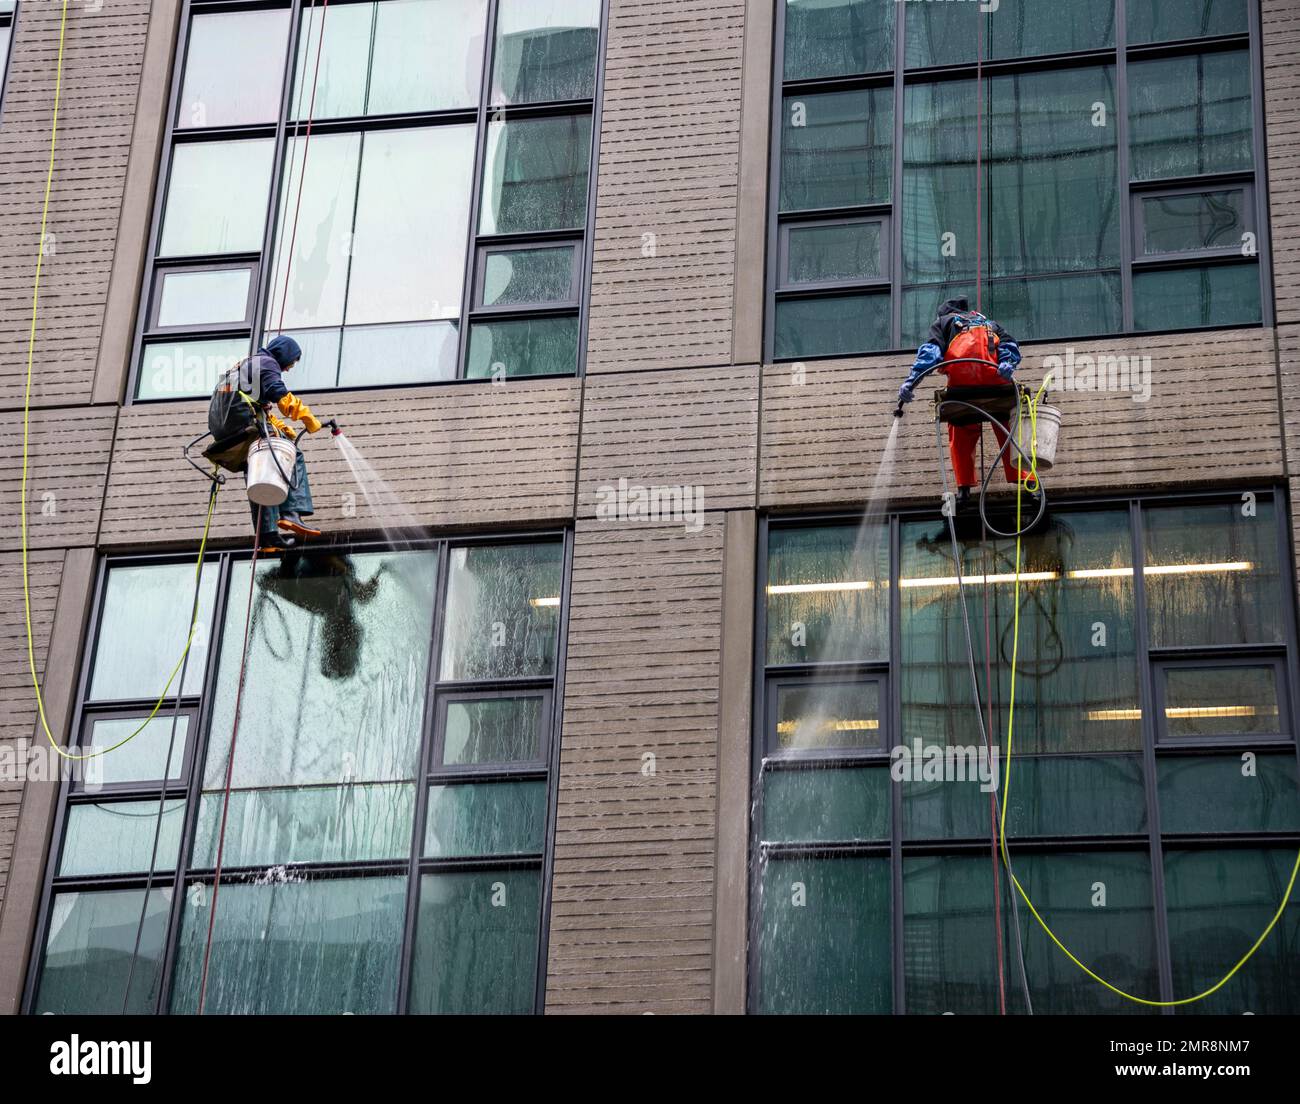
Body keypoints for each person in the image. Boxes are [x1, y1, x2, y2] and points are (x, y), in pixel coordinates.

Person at [896, 297, 1035, 505]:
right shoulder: (989, 323)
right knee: (1010, 430)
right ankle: (1028, 484)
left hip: (962, 385)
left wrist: (911, 382)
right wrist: (1007, 363)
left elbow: (931, 354)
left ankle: (963, 489)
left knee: (960, 426)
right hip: (994, 382)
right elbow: (1009, 344)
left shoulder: (943, 323)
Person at [207, 334, 328, 552]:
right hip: (242, 423)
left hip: (224, 432)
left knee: (259, 471)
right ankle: (292, 512)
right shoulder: (268, 363)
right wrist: (308, 417)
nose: (289, 368)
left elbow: (253, 404)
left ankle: (267, 536)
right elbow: (280, 395)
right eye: (291, 362)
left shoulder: (243, 367)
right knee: (293, 455)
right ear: (284, 355)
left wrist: (282, 429)